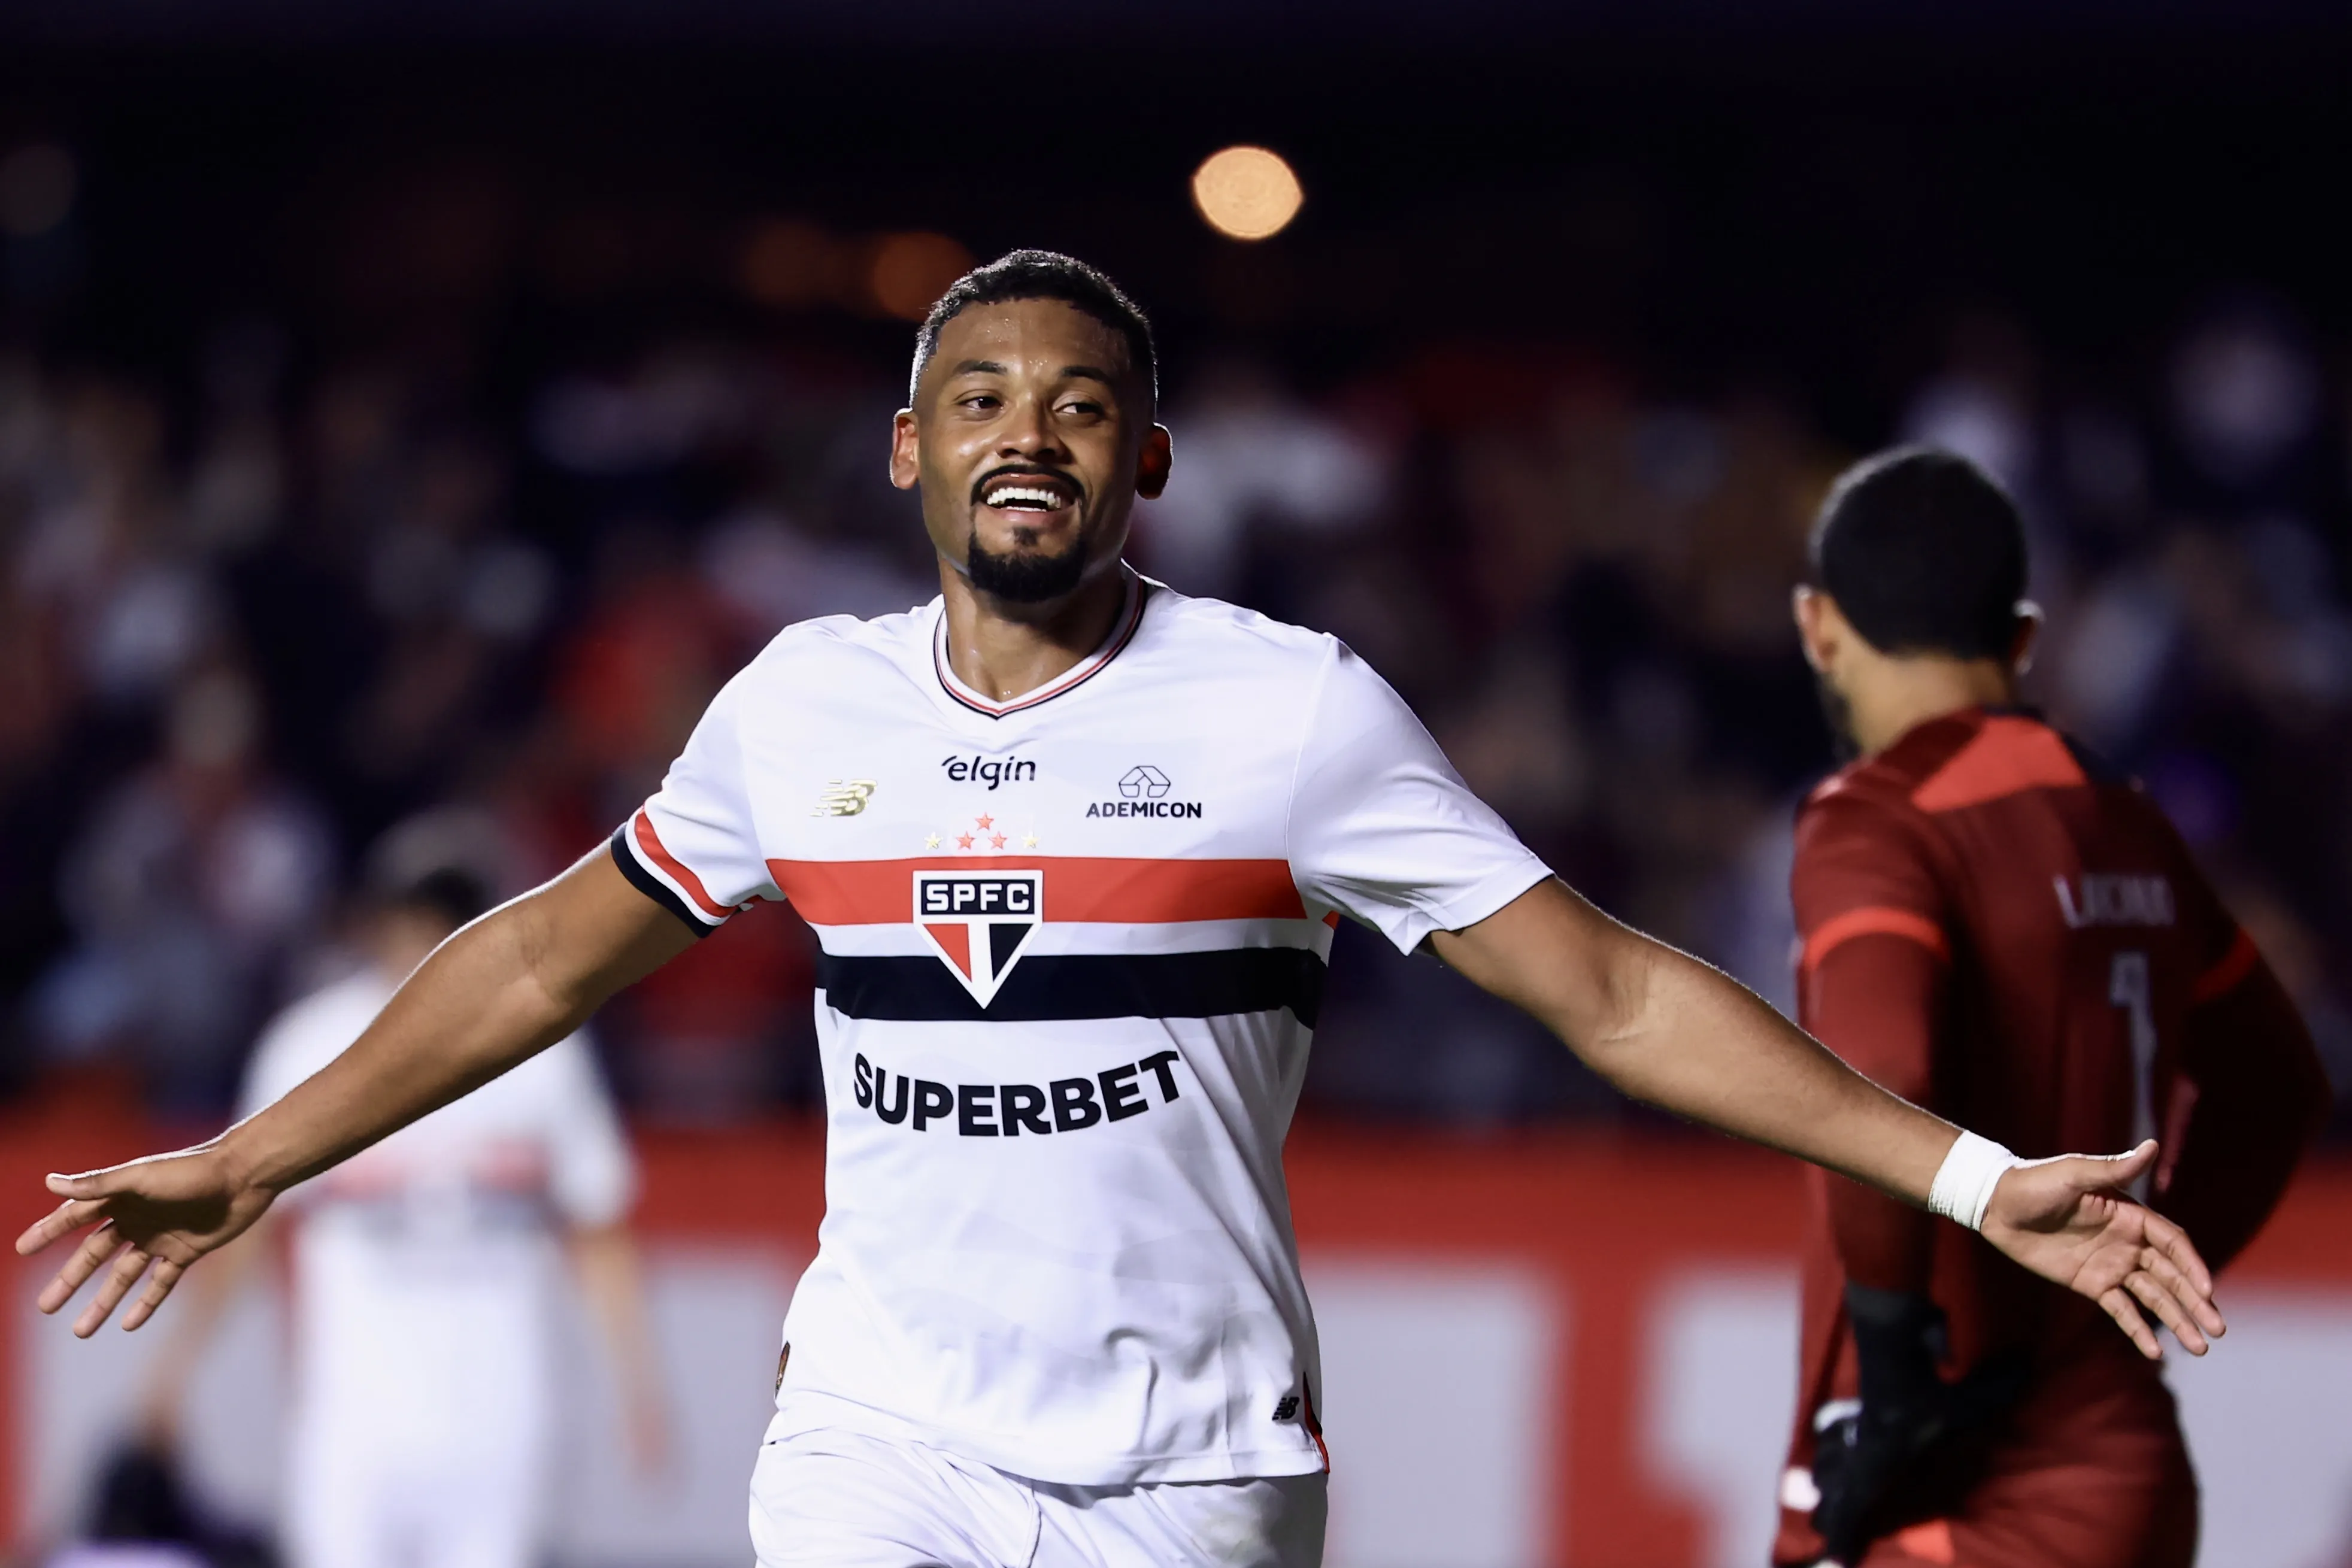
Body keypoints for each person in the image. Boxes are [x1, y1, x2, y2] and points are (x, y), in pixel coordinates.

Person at [21, 253, 2227, 1568]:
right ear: (907, 452)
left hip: (1189, 1471)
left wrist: (1965, 1171)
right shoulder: (801, 712)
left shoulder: (1295, 719)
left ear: (1146, 461)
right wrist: (252, 1158)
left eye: (1082, 405)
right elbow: (536, 953)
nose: (1028, 434)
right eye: (981, 398)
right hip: (878, 1436)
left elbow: (1616, 994)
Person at [1772, 448, 2329, 1568]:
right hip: (2124, 1460)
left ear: (1816, 625)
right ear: (2021, 638)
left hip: (1955, 1478)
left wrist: (1889, 1360)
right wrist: (2137, 1259)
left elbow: (1880, 1067)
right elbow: (2276, 1081)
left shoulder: (1877, 816)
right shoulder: (2121, 816)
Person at [132, 817, 667, 1568]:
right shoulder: (312, 1047)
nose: (434, 936)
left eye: (456, 916)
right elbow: (239, 1230)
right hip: (356, 1427)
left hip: (499, 1423)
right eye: (420, 913)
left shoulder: (546, 1053)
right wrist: (173, 1376)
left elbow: (597, 1228)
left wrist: (639, 1389)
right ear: (378, 919)